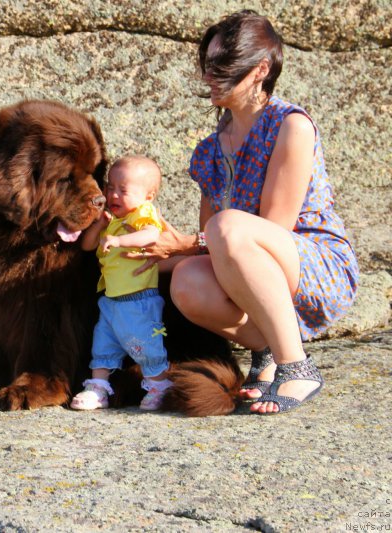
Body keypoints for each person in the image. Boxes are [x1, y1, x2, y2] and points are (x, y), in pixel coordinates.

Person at [130, 10, 359, 414]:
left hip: (313, 262)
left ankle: (297, 366)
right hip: (247, 258)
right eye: (208, 66)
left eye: (223, 67)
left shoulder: (291, 126)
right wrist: (147, 250)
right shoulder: (209, 151)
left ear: (261, 70)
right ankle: (266, 354)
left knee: (227, 226)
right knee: (186, 279)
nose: (209, 78)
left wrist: (187, 241)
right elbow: (209, 247)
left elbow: (273, 229)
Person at [70, 156, 172, 411]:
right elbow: (87, 245)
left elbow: (152, 235)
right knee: (102, 345)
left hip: (139, 301)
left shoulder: (143, 214)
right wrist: (100, 227)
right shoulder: (112, 221)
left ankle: (160, 386)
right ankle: (98, 388)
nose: (113, 194)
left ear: (148, 196)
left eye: (123, 190)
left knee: (147, 346)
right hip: (111, 301)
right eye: (110, 187)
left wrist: (119, 241)